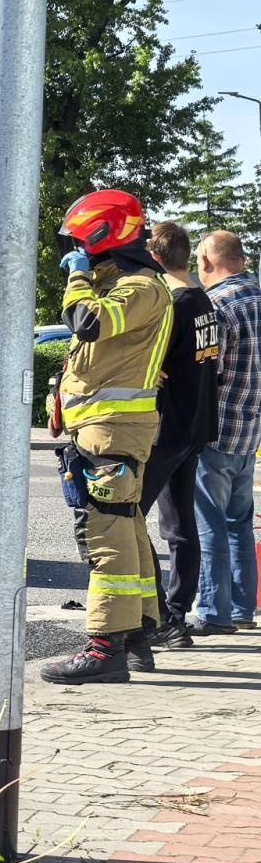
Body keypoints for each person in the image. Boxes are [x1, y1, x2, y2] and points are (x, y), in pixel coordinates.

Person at [40, 189, 172, 685]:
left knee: (107, 534)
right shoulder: (124, 284)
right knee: (126, 525)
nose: (74, 251)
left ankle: (104, 649)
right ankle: (137, 637)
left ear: (103, 234)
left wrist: (77, 277)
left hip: (112, 430)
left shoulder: (139, 287)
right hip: (106, 428)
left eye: (79, 243)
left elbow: (90, 322)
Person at [140, 222, 219, 654]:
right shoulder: (203, 298)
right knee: (179, 524)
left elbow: (150, 362)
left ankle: (158, 617)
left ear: (154, 259)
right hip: (197, 425)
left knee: (130, 518)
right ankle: (176, 616)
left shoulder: (174, 303)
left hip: (168, 427)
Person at [190, 230, 261, 635]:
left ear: (205, 262)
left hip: (217, 430)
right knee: (239, 521)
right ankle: (241, 608)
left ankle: (214, 612)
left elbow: (208, 376)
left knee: (209, 523)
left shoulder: (217, 305)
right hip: (251, 430)